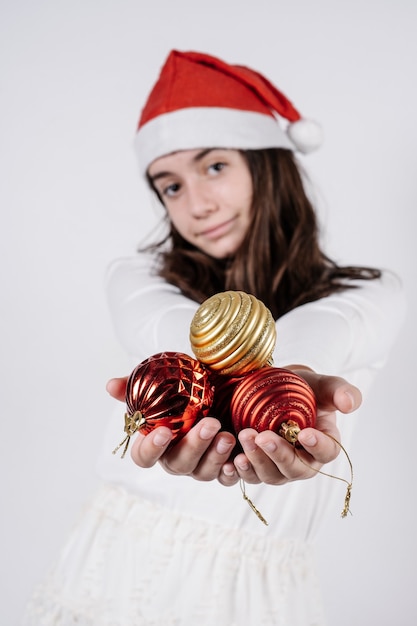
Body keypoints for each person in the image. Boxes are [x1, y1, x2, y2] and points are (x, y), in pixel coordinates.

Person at [23, 50, 405, 626]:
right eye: (170, 186)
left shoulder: (372, 293)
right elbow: (155, 321)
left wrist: (289, 378)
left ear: (267, 165)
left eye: (215, 167)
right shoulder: (140, 278)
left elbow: (330, 328)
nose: (196, 204)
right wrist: (218, 378)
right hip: (116, 567)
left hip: (257, 593)